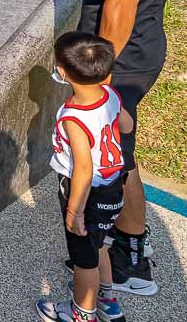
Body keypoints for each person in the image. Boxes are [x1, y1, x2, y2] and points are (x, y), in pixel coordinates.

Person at [76, 0, 187, 295]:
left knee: (101, 167)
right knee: (124, 158)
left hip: (119, 61)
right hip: (147, 47)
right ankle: (132, 253)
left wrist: (96, 81)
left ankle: (107, 268)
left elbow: (117, 13)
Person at [36, 32, 133, 322]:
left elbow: (83, 169)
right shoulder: (110, 95)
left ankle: (82, 312)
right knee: (100, 242)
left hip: (86, 194)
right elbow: (126, 125)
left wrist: (75, 211)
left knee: (83, 261)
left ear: (63, 72)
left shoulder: (73, 116)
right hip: (114, 185)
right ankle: (107, 300)